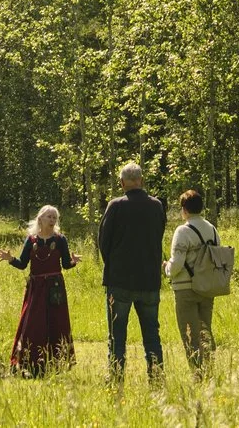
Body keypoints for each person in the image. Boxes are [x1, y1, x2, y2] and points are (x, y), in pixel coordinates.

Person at [96, 161, 167, 378]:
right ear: (141, 181)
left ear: (122, 183)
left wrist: (114, 263)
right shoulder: (156, 206)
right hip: (148, 279)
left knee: (117, 336)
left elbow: (103, 242)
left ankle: (116, 378)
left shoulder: (115, 205)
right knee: (152, 336)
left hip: (120, 280)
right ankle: (156, 378)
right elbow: (158, 235)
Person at [0, 204, 77, 375]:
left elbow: (65, 265)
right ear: (40, 218)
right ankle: (29, 364)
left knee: (57, 322)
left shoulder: (60, 239)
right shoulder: (31, 240)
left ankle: (57, 364)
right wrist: (10, 259)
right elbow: (22, 264)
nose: (52, 220)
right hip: (36, 288)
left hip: (55, 288)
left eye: (54, 217)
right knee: (33, 324)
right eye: (49, 216)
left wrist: (73, 262)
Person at [166, 188, 223, 373]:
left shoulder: (183, 231)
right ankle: (210, 369)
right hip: (207, 287)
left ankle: (198, 374)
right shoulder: (212, 230)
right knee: (205, 331)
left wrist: (166, 268)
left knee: (190, 335)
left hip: (186, 289)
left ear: (185, 209)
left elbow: (177, 264)